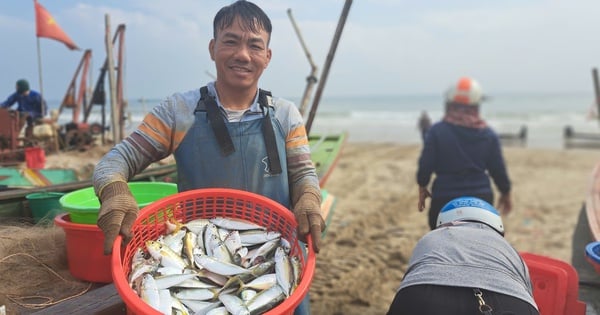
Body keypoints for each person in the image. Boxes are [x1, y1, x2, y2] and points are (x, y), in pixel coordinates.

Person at [92, 2, 323, 314]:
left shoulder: (285, 114)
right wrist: (114, 192)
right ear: (213, 48)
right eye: (231, 41)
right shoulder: (178, 111)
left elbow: (302, 174)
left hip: (271, 259)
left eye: (255, 45)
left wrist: (309, 197)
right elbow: (114, 162)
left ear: (267, 57)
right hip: (199, 262)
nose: (243, 54)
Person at [386, 197, 539, 315]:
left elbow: (413, 273)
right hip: (510, 301)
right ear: (496, 226)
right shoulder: (508, 248)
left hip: (423, 295)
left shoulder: (430, 237)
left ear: (443, 222)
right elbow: (528, 291)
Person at [416, 77, 512, 230]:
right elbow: (498, 169)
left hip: (444, 198)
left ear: (449, 104)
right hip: (481, 199)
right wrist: (505, 192)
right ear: (476, 106)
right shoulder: (488, 134)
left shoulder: (437, 131)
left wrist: (422, 185)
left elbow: (425, 164)